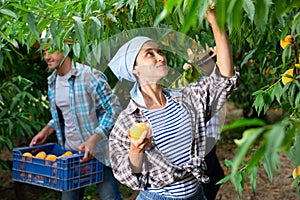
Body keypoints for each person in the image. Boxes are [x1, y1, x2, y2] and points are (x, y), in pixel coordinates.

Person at [108, 7, 238, 200]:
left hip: (196, 195)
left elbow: (224, 80)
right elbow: (129, 173)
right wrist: (136, 149)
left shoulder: (186, 99)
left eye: (159, 51)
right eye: (149, 54)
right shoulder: (128, 120)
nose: (161, 57)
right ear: (134, 69)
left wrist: (215, 22)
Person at [29, 40, 123, 200]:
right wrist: (46, 130)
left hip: (98, 153)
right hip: (70, 156)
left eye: (50, 51)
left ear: (65, 49)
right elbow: (66, 114)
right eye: (44, 52)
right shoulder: (52, 82)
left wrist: (94, 139)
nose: (46, 57)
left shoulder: (89, 76)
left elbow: (114, 110)